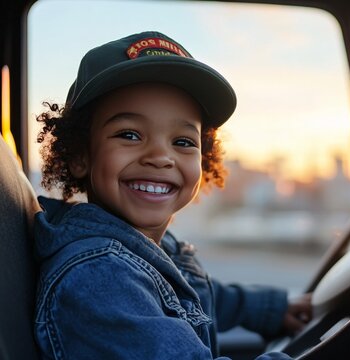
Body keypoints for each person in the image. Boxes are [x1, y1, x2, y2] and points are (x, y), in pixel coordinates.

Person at [33, 31, 311, 359]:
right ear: (81, 155)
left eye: (182, 141)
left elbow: (199, 293)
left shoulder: (153, 249)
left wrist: (268, 308)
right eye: (130, 134)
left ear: (204, 158)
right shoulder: (99, 278)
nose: (160, 156)